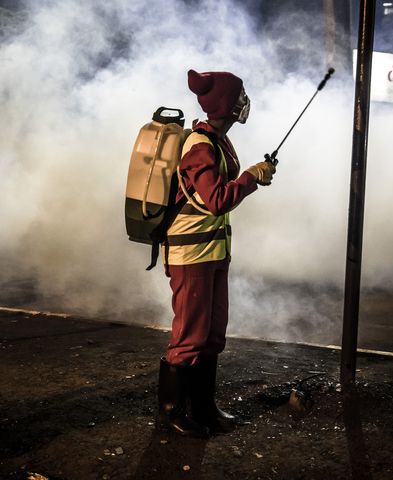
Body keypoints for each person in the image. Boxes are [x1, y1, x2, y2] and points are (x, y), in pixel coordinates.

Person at [157, 69, 276, 438]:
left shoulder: (217, 140)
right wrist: (253, 177)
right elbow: (217, 200)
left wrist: (252, 174)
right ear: (227, 104)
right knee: (190, 337)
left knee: (212, 334)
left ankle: (204, 408)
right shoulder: (200, 146)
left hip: (212, 253)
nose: (244, 103)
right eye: (239, 96)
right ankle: (173, 414)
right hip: (191, 257)